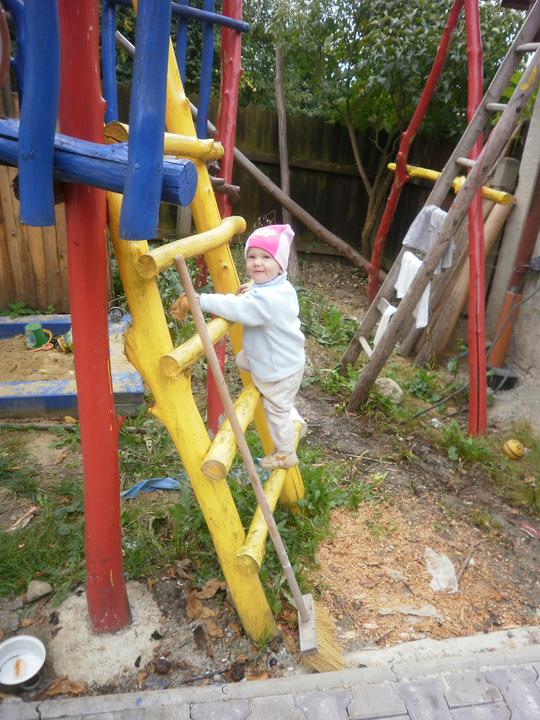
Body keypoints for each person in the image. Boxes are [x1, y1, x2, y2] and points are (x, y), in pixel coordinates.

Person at [171, 224, 306, 470]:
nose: (257, 263)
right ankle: (292, 417)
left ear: (281, 265)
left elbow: (237, 308)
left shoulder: (266, 300)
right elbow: (259, 297)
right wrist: (253, 288)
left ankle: (285, 454)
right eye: (252, 256)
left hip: (279, 370)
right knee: (247, 364)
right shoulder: (279, 287)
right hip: (286, 358)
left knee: (276, 409)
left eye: (266, 257)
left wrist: (199, 300)